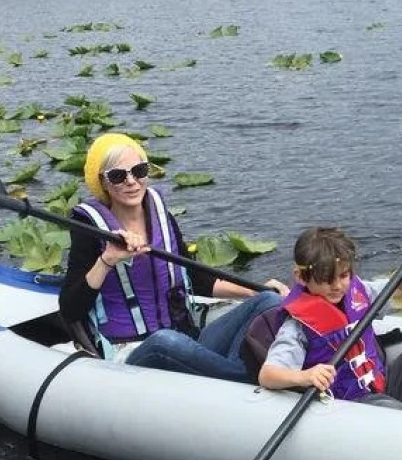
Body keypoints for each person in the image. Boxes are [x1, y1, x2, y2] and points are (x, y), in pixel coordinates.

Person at [57, 132, 287, 380]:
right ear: (103, 182)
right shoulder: (89, 230)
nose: (131, 181)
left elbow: (196, 278)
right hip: (134, 351)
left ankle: (234, 375)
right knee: (164, 340)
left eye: (139, 170)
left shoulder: (160, 215)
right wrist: (108, 259)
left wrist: (254, 291)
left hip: (185, 337)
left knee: (267, 302)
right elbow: (70, 309)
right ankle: (250, 377)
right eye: (118, 175)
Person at [256, 225, 402, 416]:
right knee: (392, 411)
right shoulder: (297, 326)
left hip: (382, 382)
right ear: (301, 277)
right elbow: (268, 375)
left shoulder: (358, 291)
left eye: (343, 276)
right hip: (351, 405)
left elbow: (398, 288)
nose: (337, 286)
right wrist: (306, 376)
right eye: (326, 279)